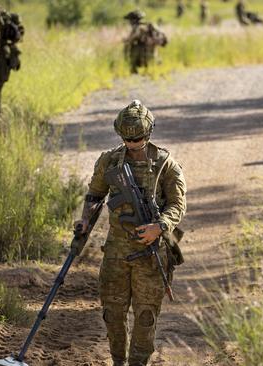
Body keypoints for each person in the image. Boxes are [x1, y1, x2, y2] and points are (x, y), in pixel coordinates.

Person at [76, 100, 186, 366]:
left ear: (148, 134)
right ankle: (117, 362)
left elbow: (177, 204)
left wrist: (159, 227)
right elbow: (95, 195)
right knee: (113, 314)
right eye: (127, 138)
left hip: (150, 253)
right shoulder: (109, 160)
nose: (133, 142)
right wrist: (84, 221)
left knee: (146, 316)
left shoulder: (165, 163)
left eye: (137, 138)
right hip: (116, 251)